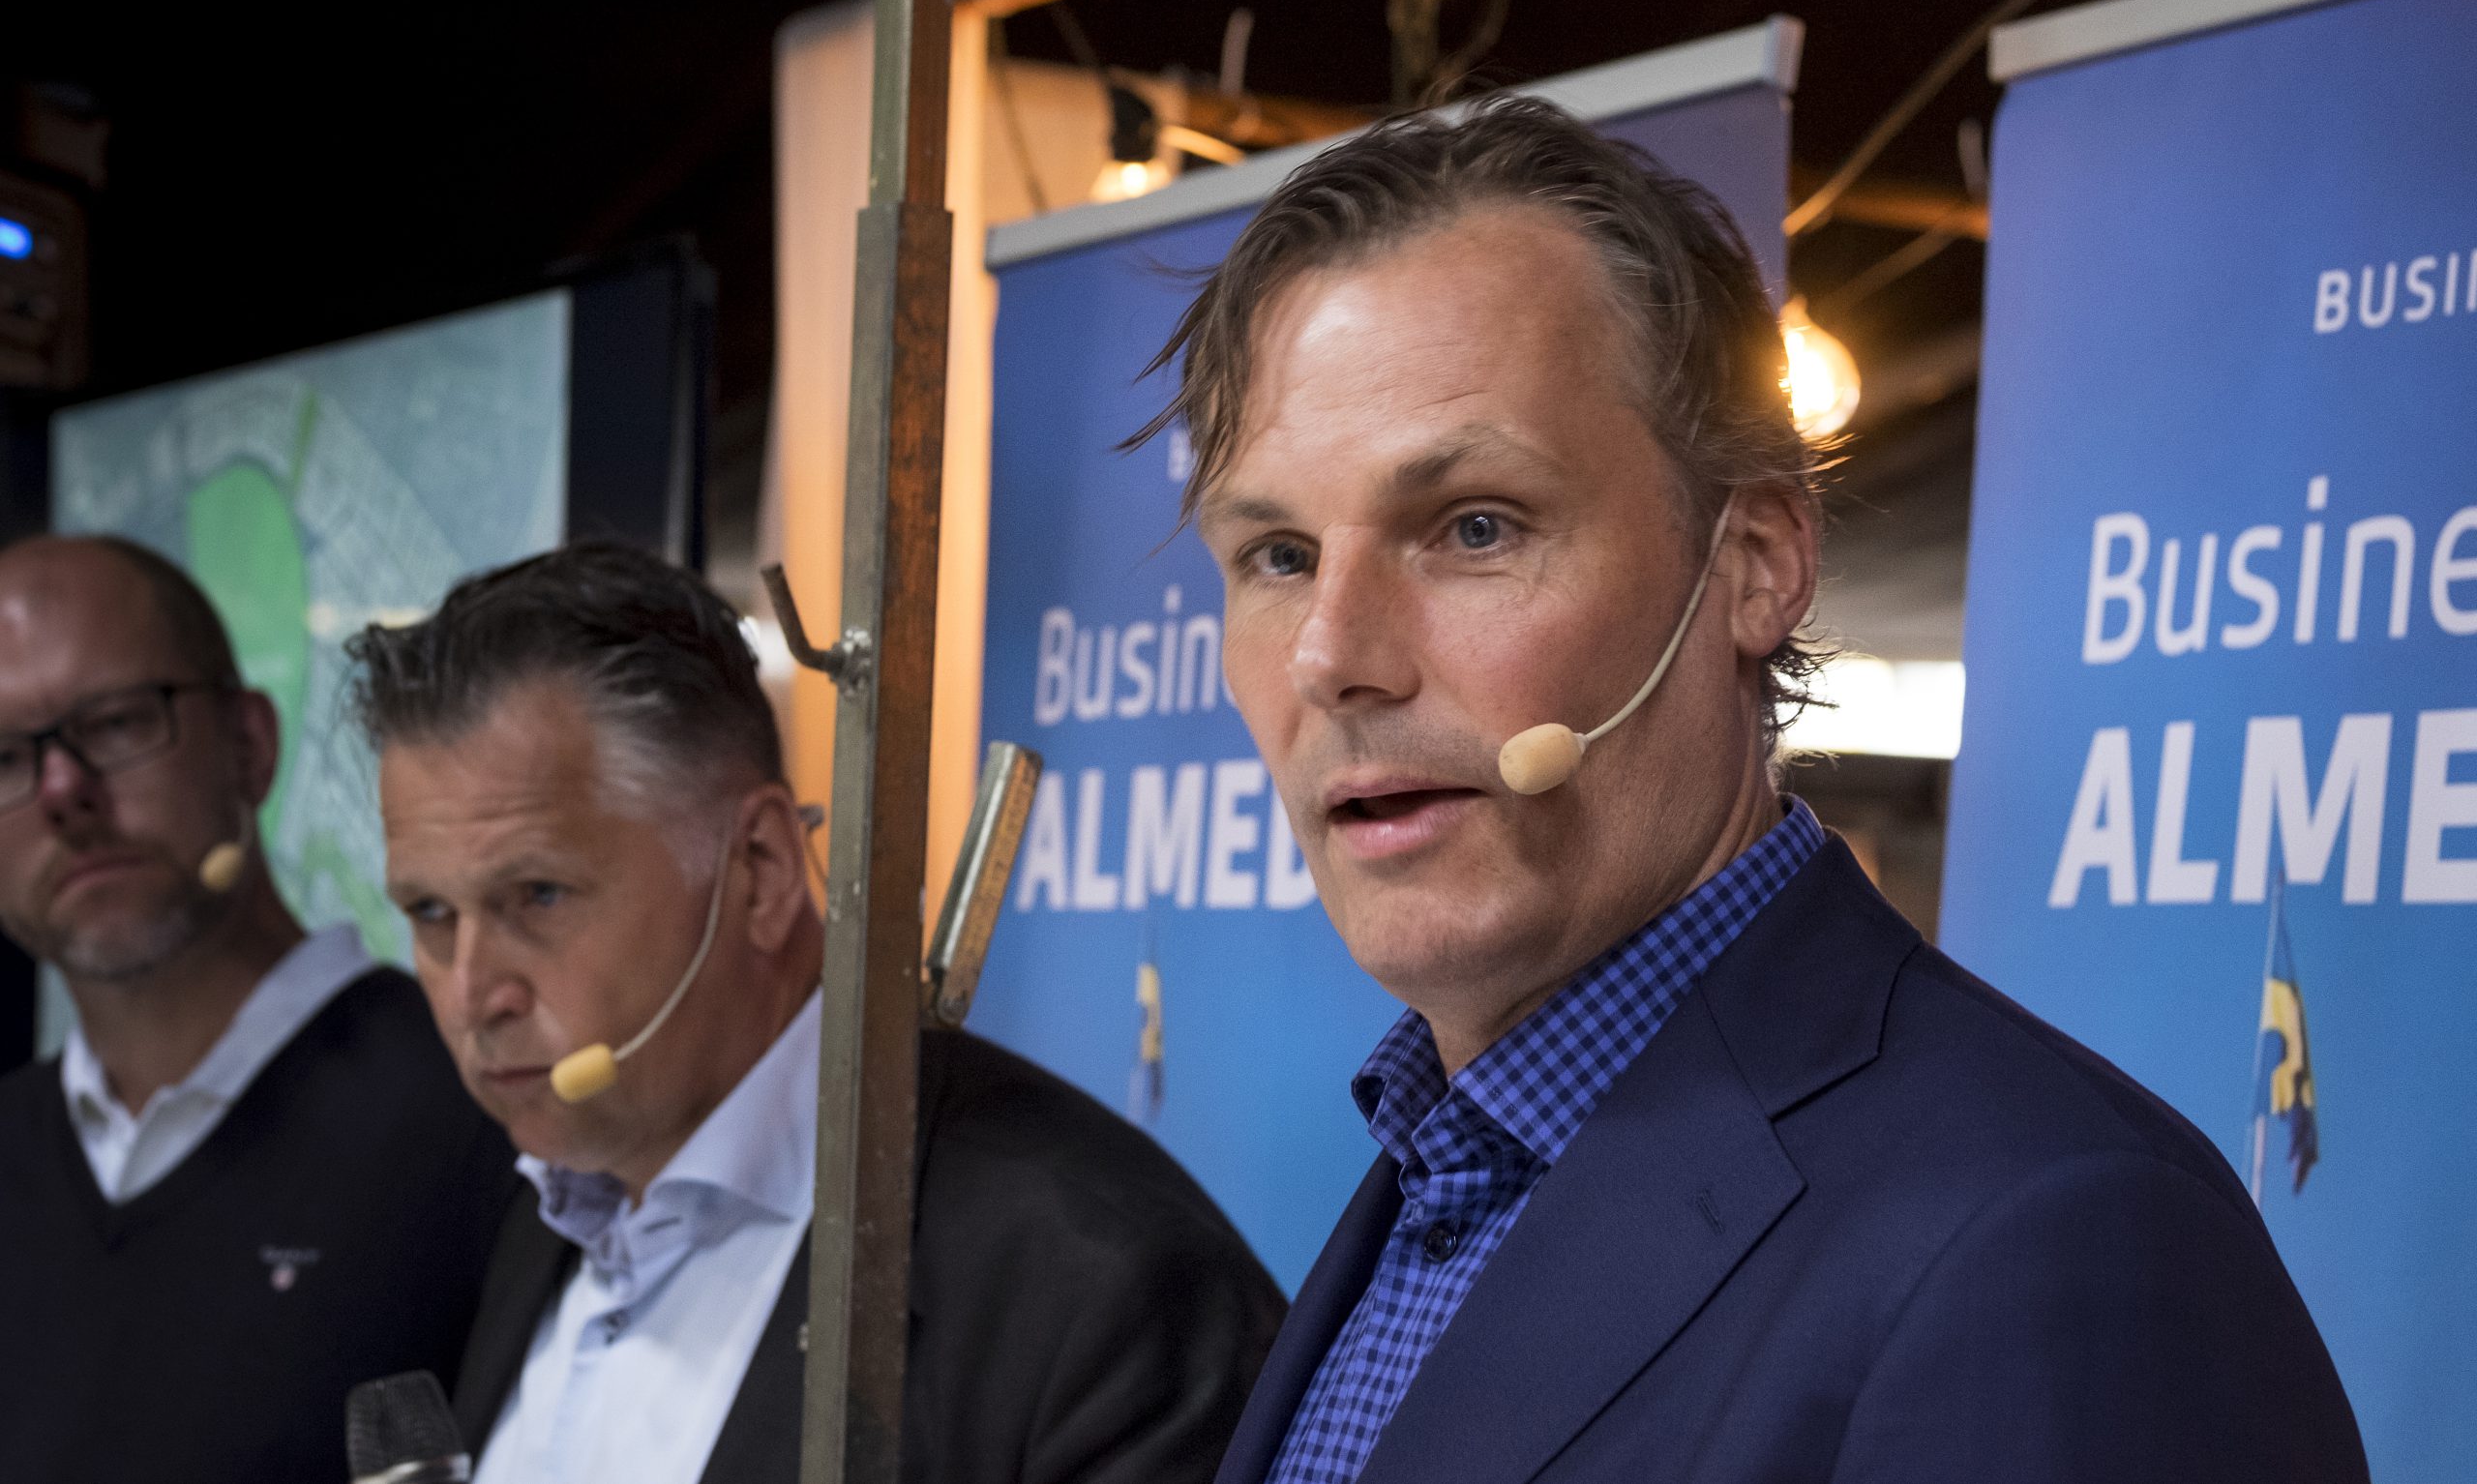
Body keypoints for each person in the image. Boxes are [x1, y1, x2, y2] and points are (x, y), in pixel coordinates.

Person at [1147, 96, 2370, 1484]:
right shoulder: (1446, 1158)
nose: (1331, 657)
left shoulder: (2057, 1235)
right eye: (1279, 556)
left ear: (1756, 563)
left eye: (1474, 526)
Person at [348, 542, 1284, 1484]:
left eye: (540, 895)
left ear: (758, 869)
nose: (471, 994)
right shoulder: (534, 1205)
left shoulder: (1106, 1291)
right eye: (429, 912)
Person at [0, 535, 517, 1483]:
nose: (66, 789)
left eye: (115, 723)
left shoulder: (480, 1110)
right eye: (4, 759)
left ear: (249, 743)